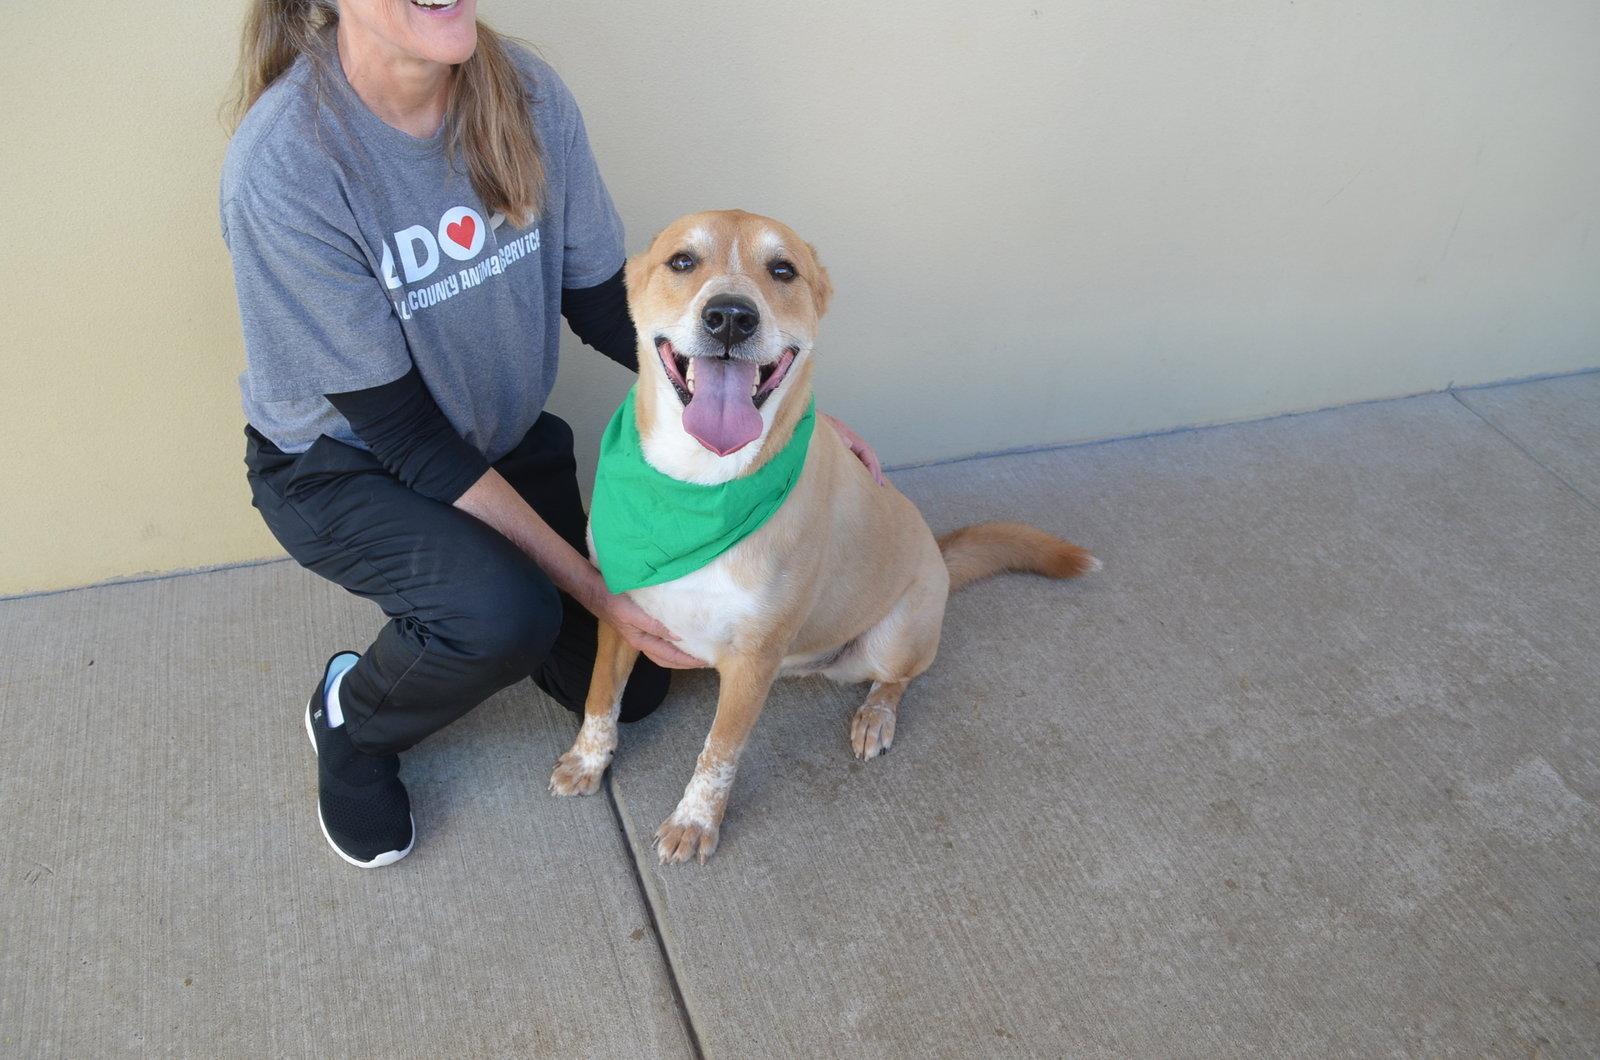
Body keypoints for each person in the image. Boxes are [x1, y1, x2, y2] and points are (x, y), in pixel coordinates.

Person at [222, 0, 883, 868]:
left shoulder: (526, 95)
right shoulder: (285, 165)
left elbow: (609, 304)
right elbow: (407, 438)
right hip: (341, 466)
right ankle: (354, 721)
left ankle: (468, 596)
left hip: (494, 435)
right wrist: (592, 588)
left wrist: (772, 408)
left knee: (637, 690)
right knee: (507, 615)